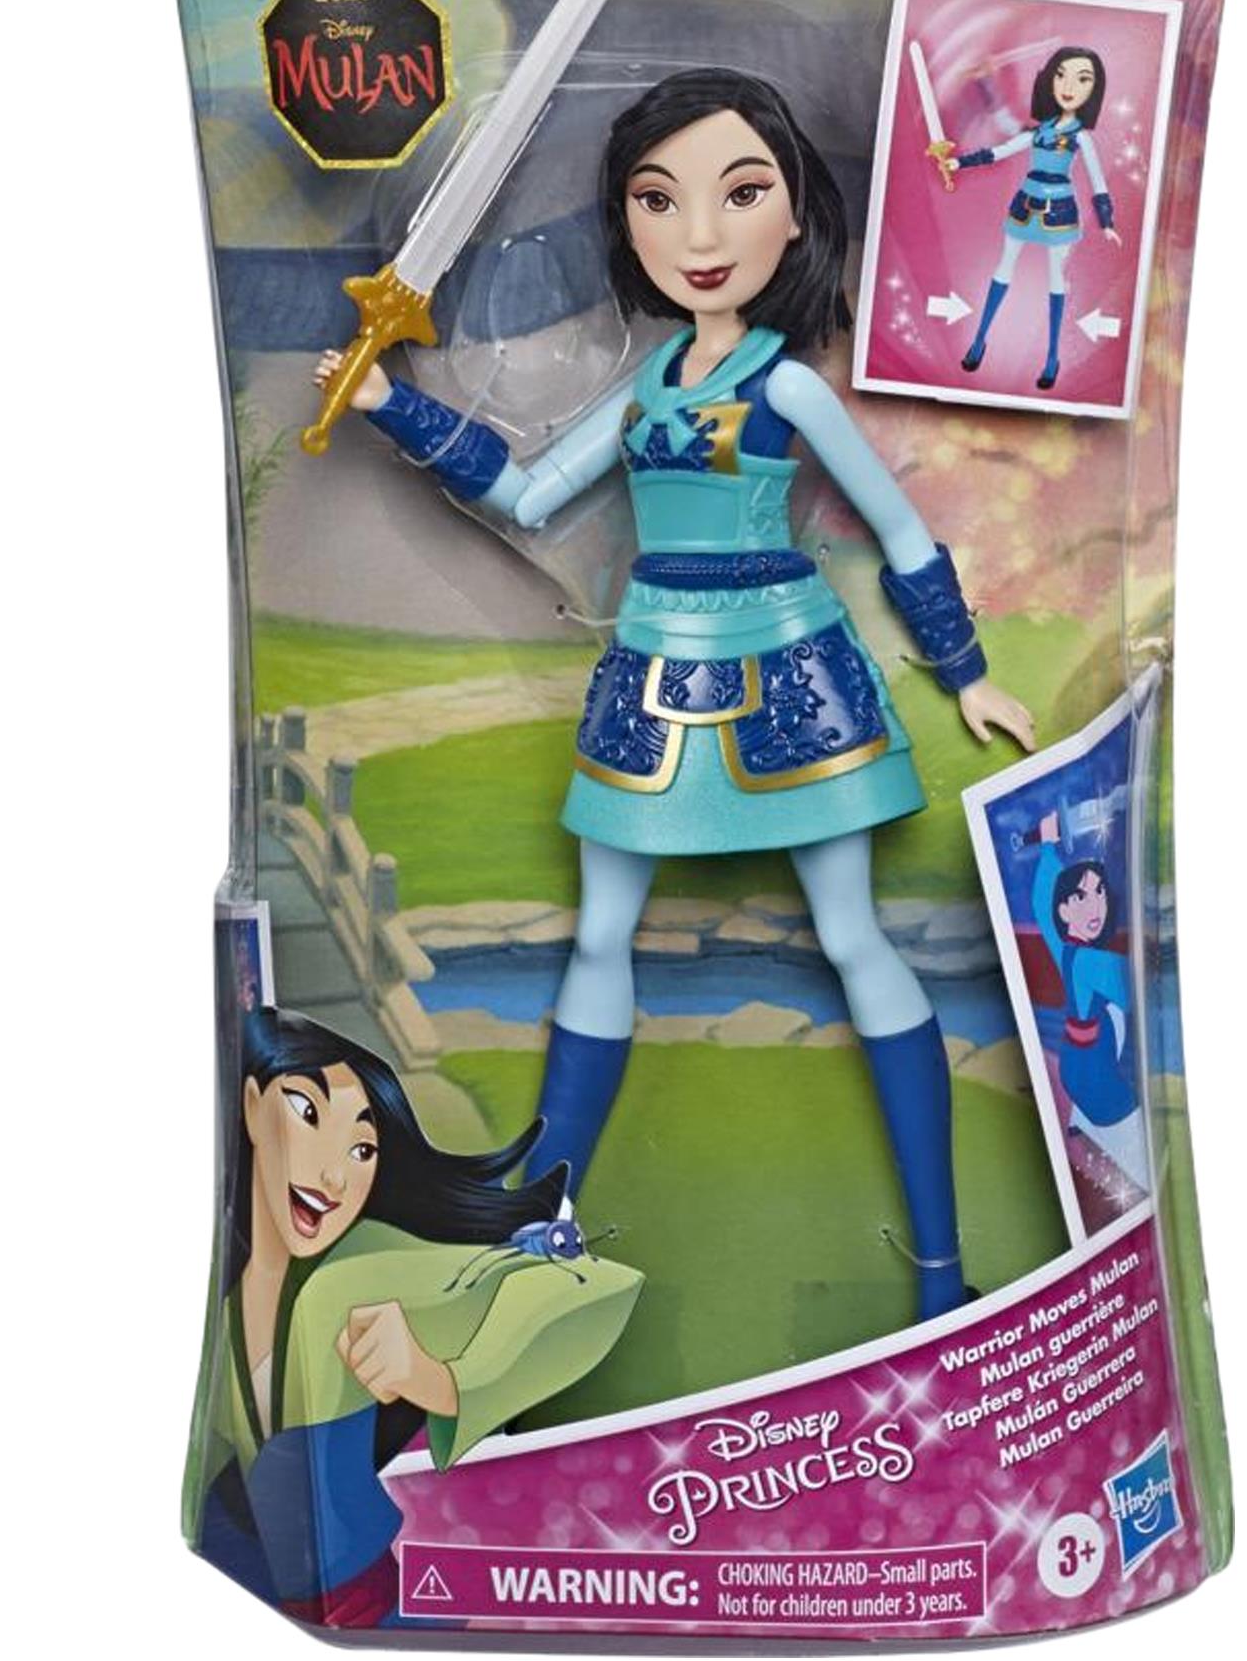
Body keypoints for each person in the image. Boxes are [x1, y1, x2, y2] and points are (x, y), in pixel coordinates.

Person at [319, 67, 1035, 1320]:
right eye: (658, 200)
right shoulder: (644, 388)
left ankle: (936, 1268)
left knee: (852, 937)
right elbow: (530, 492)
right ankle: (536, 1241)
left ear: (795, 212)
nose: (698, 233)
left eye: (738, 193)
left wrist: (963, 670)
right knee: (599, 937)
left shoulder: (787, 384)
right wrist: (392, 408)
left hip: (788, 673)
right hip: (652, 672)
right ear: (626, 220)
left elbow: (898, 528)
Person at [188, 1005, 641, 1625]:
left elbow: (594, 1283)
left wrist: (440, 1379)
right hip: (263, 1603)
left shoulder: (358, 1271)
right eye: (306, 1113)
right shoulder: (231, 1288)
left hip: (377, 1606)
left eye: (362, 1148)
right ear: (249, 1103)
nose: (332, 1176)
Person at [930, 46, 1123, 390]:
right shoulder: (1037, 132)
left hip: (1059, 212)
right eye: (1061, 76)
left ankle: (1052, 357)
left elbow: (1098, 181)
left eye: (1082, 80)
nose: (1069, 86)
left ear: (1093, 90)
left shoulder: (1080, 138)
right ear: (1050, 80)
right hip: (1025, 206)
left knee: (1055, 280)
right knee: (1003, 269)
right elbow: (1000, 149)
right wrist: (958, 162)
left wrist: (1106, 222)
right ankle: (980, 340)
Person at [1029, 811, 1149, 1191]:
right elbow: (1144, 983)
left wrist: (1048, 846)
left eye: (1099, 894)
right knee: (1152, 1169)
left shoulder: (1065, 947)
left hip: (1079, 1065)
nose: (1094, 906)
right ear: (1064, 910)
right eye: (1081, 896)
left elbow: (1042, 905)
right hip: (1096, 1078)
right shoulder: (1090, 962)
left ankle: (1085, 1125)